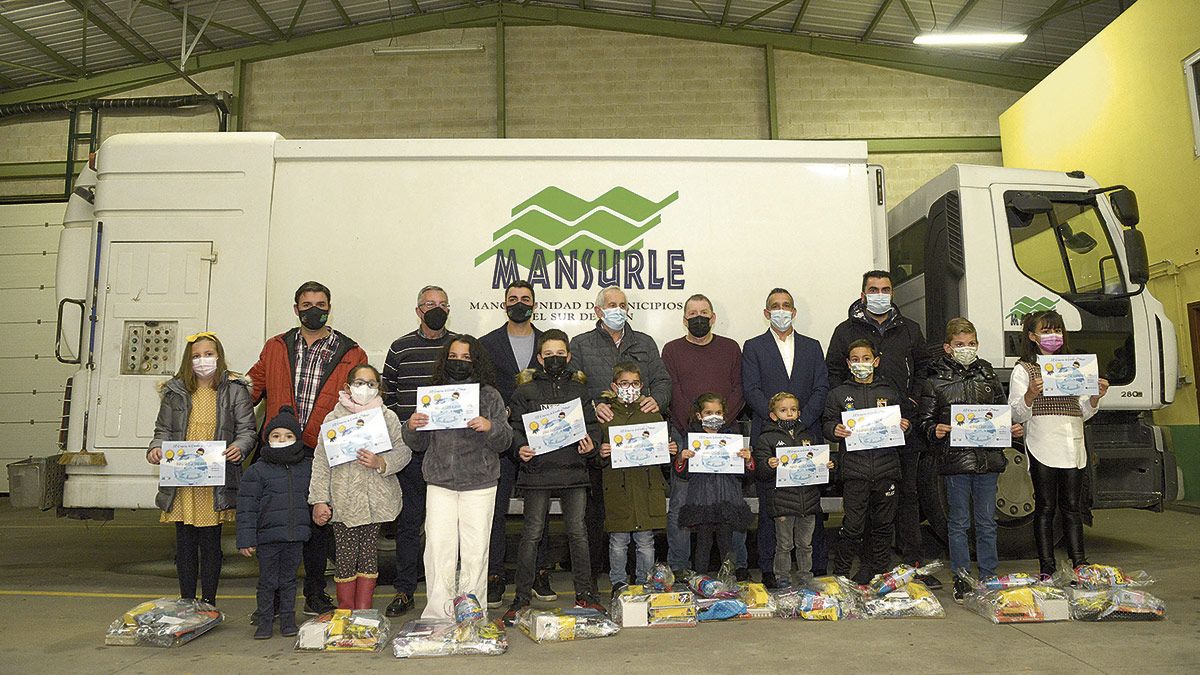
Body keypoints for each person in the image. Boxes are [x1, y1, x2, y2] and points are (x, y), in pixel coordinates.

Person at [248, 281, 367, 616]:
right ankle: (269, 601)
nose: (313, 309)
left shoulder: (351, 352)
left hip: (321, 450)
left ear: (329, 307)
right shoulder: (275, 346)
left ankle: (315, 593)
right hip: (279, 450)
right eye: (306, 304)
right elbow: (252, 387)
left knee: (318, 526)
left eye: (320, 303)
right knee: (274, 528)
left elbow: (361, 399)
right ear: (296, 308)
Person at [825, 270, 934, 586]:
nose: (880, 294)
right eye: (873, 289)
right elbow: (833, 370)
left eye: (885, 289)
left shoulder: (910, 330)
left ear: (892, 294)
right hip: (858, 445)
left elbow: (925, 367)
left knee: (906, 497)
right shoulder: (845, 331)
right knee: (859, 514)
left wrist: (911, 404)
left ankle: (904, 565)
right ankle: (856, 570)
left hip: (897, 432)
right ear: (862, 294)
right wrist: (844, 410)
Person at [400, 335, 512, 620]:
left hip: (480, 483)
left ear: (476, 360)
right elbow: (418, 444)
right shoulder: (432, 394)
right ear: (444, 360)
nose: (459, 362)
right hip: (439, 482)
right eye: (453, 357)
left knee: (475, 552)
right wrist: (411, 426)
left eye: (466, 357)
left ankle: (472, 613)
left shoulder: (489, 395)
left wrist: (490, 427)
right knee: (438, 550)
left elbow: (505, 441)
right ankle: (438, 614)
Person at [917, 318, 1026, 602]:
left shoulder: (988, 375)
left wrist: (1010, 428)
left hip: (988, 460)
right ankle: (962, 578)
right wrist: (934, 430)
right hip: (955, 461)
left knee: (988, 521)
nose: (966, 349)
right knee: (958, 522)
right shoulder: (935, 380)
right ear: (947, 347)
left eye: (971, 344)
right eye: (960, 345)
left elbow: (1002, 412)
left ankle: (989, 576)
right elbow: (924, 421)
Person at [570, 287, 672, 582]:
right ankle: (601, 581)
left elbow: (662, 381)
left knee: (642, 529)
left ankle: (642, 582)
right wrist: (592, 407)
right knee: (603, 517)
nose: (618, 309)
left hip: (641, 438)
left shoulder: (645, 342)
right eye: (612, 305)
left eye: (622, 305)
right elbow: (572, 388)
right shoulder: (580, 344)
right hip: (603, 439)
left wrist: (659, 400)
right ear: (598, 310)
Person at [147, 331, 256, 607]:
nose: (203, 360)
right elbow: (163, 429)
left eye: (208, 355)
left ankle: (208, 601)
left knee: (210, 543)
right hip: (182, 479)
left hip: (214, 480)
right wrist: (156, 448)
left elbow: (247, 430)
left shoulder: (235, 389)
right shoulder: (175, 391)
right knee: (184, 542)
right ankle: (186, 599)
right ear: (188, 360)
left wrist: (240, 448)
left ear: (218, 357)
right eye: (196, 356)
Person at [503, 331, 604, 623]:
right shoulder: (525, 392)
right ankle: (521, 598)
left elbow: (592, 424)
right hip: (537, 472)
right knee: (532, 534)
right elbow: (514, 427)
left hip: (574, 471)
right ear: (539, 359)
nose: (554, 358)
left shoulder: (580, 391)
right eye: (548, 354)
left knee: (578, 533)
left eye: (560, 353)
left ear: (569, 356)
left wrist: (591, 444)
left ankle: (586, 594)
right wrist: (519, 446)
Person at [1009, 310, 1108, 578]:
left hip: (1073, 443)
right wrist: (1030, 394)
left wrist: (1096, 398)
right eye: (1046, 331)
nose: (1054, 336)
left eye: (1058, 331)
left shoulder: (1076, 367)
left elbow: (1083, 410)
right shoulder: (1024, 369)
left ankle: (1079, 562)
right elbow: (1016, 412)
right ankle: (1047, 566)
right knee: (1045, 507)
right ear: (1032, 336)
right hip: (1042, 442)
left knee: (1073, 507)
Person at [742, 288, 829, 588]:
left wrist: (802, 418)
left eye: (786, 306)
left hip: (807, 434)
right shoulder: (753, 347)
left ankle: (814, 566)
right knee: (771, 506)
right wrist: (775, 417)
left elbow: (821, 388)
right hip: (769, 435)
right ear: (766, 313)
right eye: (775, 306)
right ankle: (769, 568)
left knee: (809, 505)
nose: (781, 310)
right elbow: (750, 389)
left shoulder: (812, 346)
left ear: (794, 311)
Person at [382, 285, 458, 617]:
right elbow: (387, 399)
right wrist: (403, 432)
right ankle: (404, 590)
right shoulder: (399, 349)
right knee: (410, 523)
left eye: (442, 304)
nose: (436, 309)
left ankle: (449, 591)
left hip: (449, 452)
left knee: (449, 525)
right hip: (412, 453)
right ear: (418, 310)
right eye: (429, 304)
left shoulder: (459, 347)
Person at [478, 280, 555, 608]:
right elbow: (481, 387)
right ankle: (495, 575)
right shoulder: (486, 344)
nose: (519, 303)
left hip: (540, 438)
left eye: (525, 299)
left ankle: (540, 572)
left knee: (541, 510)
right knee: (495, 510)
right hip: (499, 438)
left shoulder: (548, 344)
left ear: (534, 305)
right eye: (513, 299)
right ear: (504, 304)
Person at [309, 364, 410, 610]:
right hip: (343, 500)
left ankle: (363, 613)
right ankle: (346, 612)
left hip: (376, 500)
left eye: (371, 384)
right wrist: (319, 500)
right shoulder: (333, 419)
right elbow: (321, 462)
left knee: (368, 555)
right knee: (344, 557)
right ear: (348, 386)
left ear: (379, 388)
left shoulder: (388, 417)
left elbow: (404, 451)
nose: (365, 388)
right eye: (359, 383)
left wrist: (382, 462)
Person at [661, 294, 748, 577]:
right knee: (681, 505)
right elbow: (672, 390)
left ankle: (737, 567)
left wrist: (719, 423)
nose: (698, 317)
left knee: (732, 503)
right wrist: (697, 425)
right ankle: (680, 567)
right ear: (684, 319)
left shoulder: (731, 348)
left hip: (726, 432)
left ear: (712, 317)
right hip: (686, 434)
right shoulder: (672, 350)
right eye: (692, 313)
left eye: (704, 312)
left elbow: (738, 389)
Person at [823, 339, 911, 582]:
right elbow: (827, 423)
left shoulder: (889, 392)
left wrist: (905, 425)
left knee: (883, 526)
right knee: (853, 527)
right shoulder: (838, 394)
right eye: (855, 359)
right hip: (855, 471)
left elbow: (905, 422)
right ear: (848, 363)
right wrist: (834, 430)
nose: (861, 364)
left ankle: (878, 573)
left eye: (865, 359)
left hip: (886, 470)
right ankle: (841, 574)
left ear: (876, 361)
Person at [597, 362, 677, 596]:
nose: (629, 388)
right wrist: (602, 453)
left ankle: (645, 583)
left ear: (642, 386)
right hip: (617, 487)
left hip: (647, 486)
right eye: (624, 384)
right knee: (618, 542)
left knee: (646, 542)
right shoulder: (606, 415)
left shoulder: (652, 413)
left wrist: (668, 450)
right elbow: (594, 454)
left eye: (634, 384)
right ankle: (618, 583)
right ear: (614, 386)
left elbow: (662, 455)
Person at [236, 406, 312, 639]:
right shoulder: (257, 471)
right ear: (267, 439)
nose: (282, 440)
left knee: (289, 581)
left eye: (288, 436)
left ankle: (289, 621)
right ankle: (265, 622)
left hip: (295, 537)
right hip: (267, 538)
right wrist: (246, 539)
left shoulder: (306, 467)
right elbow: (246, 507)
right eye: (276, 436)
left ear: (297, 439)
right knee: (268, 582)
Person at [752, 392, 833, 589]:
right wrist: (768, 464)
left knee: (806, 544)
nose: (789, 413)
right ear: (773, 415)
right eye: (783, 410)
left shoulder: (808, 435)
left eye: (793, 409)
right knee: (785, 545)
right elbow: (760, 470)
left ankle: (806, 576)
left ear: (799, 413)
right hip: (782, 502)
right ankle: (782, 577)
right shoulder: (766, 438)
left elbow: (816, 463)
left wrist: (827, 465)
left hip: (809, 500)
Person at [677, 393, 755, 574]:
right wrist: (682, 458)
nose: (714, 416)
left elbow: (746, 473)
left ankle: (728, 580)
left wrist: (747, 459)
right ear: (699, 415)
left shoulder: (733, 437)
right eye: (708, 412)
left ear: (724, 414)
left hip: (727, 497)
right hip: (702, 498)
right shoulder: (691, 438)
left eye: (718, 412)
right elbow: (682, 473)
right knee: (703, 543)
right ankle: (700, 579)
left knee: (726, 543)